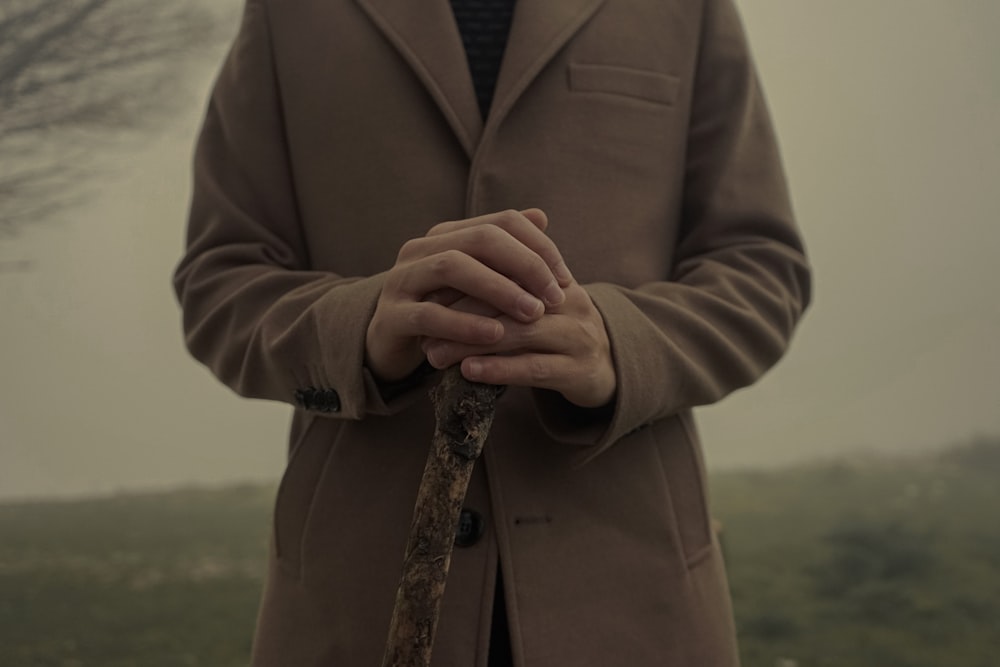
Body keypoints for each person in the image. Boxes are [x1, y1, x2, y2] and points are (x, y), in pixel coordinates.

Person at [173, 0, 811, 664]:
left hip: (635, 591)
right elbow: (219, 281)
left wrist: (621, 345)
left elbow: (761, 269)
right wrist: (358, 326)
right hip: (355, 594)